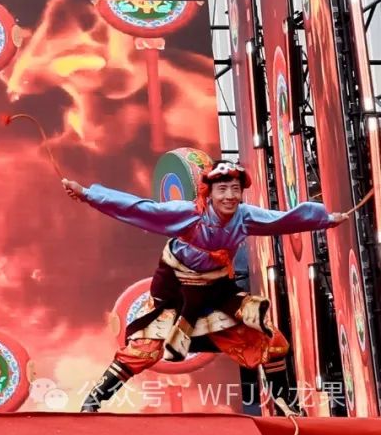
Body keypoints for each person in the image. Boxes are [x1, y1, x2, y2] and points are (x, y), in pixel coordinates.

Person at [63, 160, 347, 413]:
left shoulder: (244, 217)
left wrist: (325, 220)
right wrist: (88, 194)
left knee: (271, 340)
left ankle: (286, 404)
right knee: (143, 349)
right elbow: (139, 208)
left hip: (215, 295)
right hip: (176, 295)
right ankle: (93, 401)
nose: (230, 196)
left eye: (235, 189)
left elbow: (281, 221)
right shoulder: (188, 214)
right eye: (222, 189)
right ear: (208, 193)